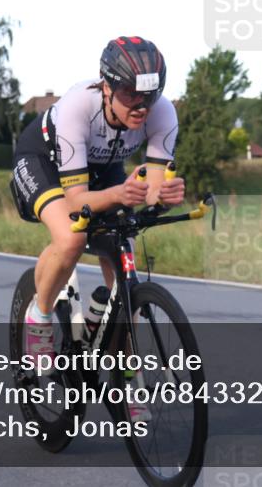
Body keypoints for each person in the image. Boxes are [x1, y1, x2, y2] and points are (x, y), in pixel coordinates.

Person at [9, 37, 185, 366]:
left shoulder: (163, 112)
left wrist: (166, 197)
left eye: (149, 95)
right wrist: (119, 194)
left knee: (122, 252)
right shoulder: (79, 105)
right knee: (72, 236)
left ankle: (128, 374)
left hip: (104, 169)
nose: (141, 106)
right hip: (42, 162)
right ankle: (40, 314)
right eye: (130, 94)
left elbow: (155, 190)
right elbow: (76, 203)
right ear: (107, 88)